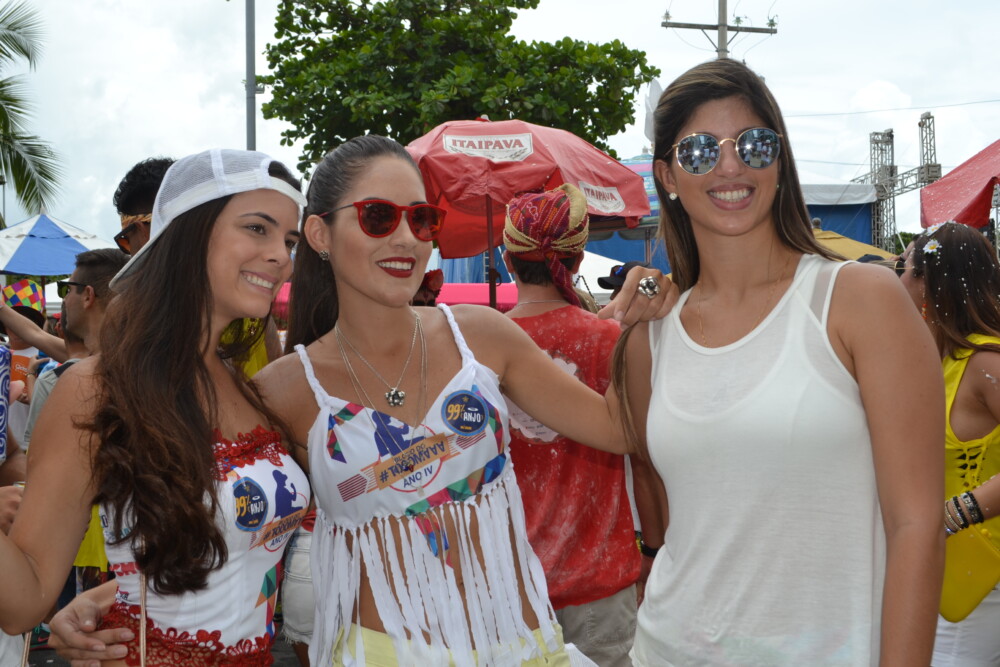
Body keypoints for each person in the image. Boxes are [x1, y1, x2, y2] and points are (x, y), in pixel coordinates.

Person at [614, 58, 944, 665]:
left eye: (754, 144)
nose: (730, 166)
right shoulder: (652, 337)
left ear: (780, 159)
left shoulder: (859, 301)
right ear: (666, 176)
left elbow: (917, 526)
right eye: (699, 151)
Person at [0, 148, 310, 665]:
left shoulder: (246, 386)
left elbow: (227, 558)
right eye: (258, 228)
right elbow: (24, 600)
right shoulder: (97, 389)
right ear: (189, 233)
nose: (281, 256)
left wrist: (108, 594)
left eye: (289, 241)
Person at [501, 183, 646, 666]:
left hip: (510, 591)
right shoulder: (612, 339)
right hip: (599, 585)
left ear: (508, 259)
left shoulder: (482, 347)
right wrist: (652, 547)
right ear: (578, 258)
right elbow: (646, 459)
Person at [898, 221, 1000, 665]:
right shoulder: (937, 358)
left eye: (904, 268)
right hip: (938, 568)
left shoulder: (986, 361)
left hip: (980, 575)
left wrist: (951, 516)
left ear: (929, 282)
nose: (897, 279)